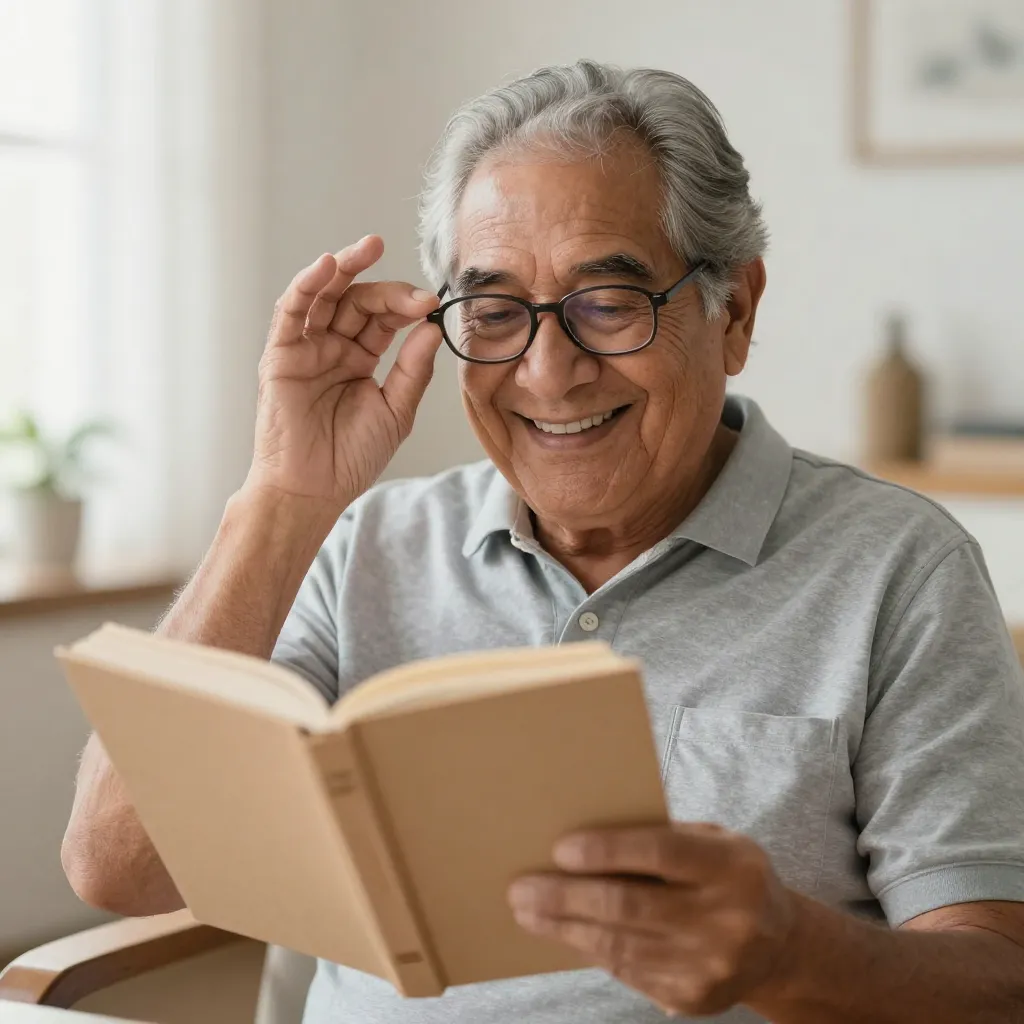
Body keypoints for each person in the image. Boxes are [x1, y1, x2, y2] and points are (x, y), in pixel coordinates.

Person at [61, 61, 1024, 1023]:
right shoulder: (367, 545)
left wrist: (789, 955)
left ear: (734, 309)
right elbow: (118, 865)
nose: (548, 372)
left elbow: (996, 983)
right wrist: (280, 492)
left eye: (608, 304)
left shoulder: (900, 568)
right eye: (495, 313)